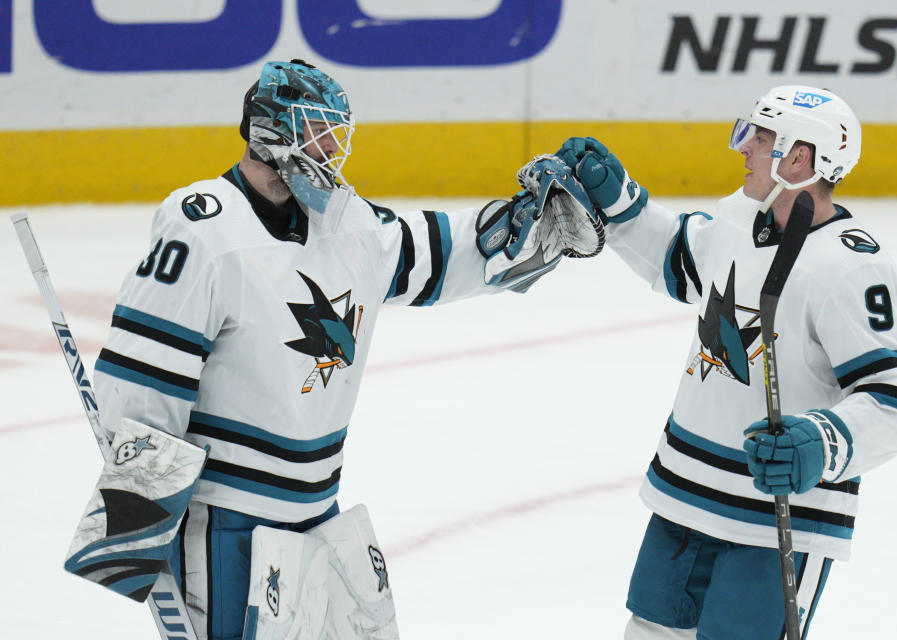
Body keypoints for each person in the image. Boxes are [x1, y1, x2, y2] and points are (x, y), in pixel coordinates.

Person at [78, 59, 599, 640]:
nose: (332, 145)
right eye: (317, 128)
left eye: (336, 130)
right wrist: (137, 524)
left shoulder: (342, 221)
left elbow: (430, 253)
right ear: (271, 131)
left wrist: (517, 228)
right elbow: (142, 384)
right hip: (226, 521)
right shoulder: (203, 229)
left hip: (317, 513)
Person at [554, 86, 897, 639]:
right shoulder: (737, 218)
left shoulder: (848, 267)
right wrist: (622, 203)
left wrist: (823, 441)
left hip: (775, 522)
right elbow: (679, 259)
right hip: (685, 496)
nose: (742, 148)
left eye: (760, 138)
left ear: (801, 158)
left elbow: (892, 403)